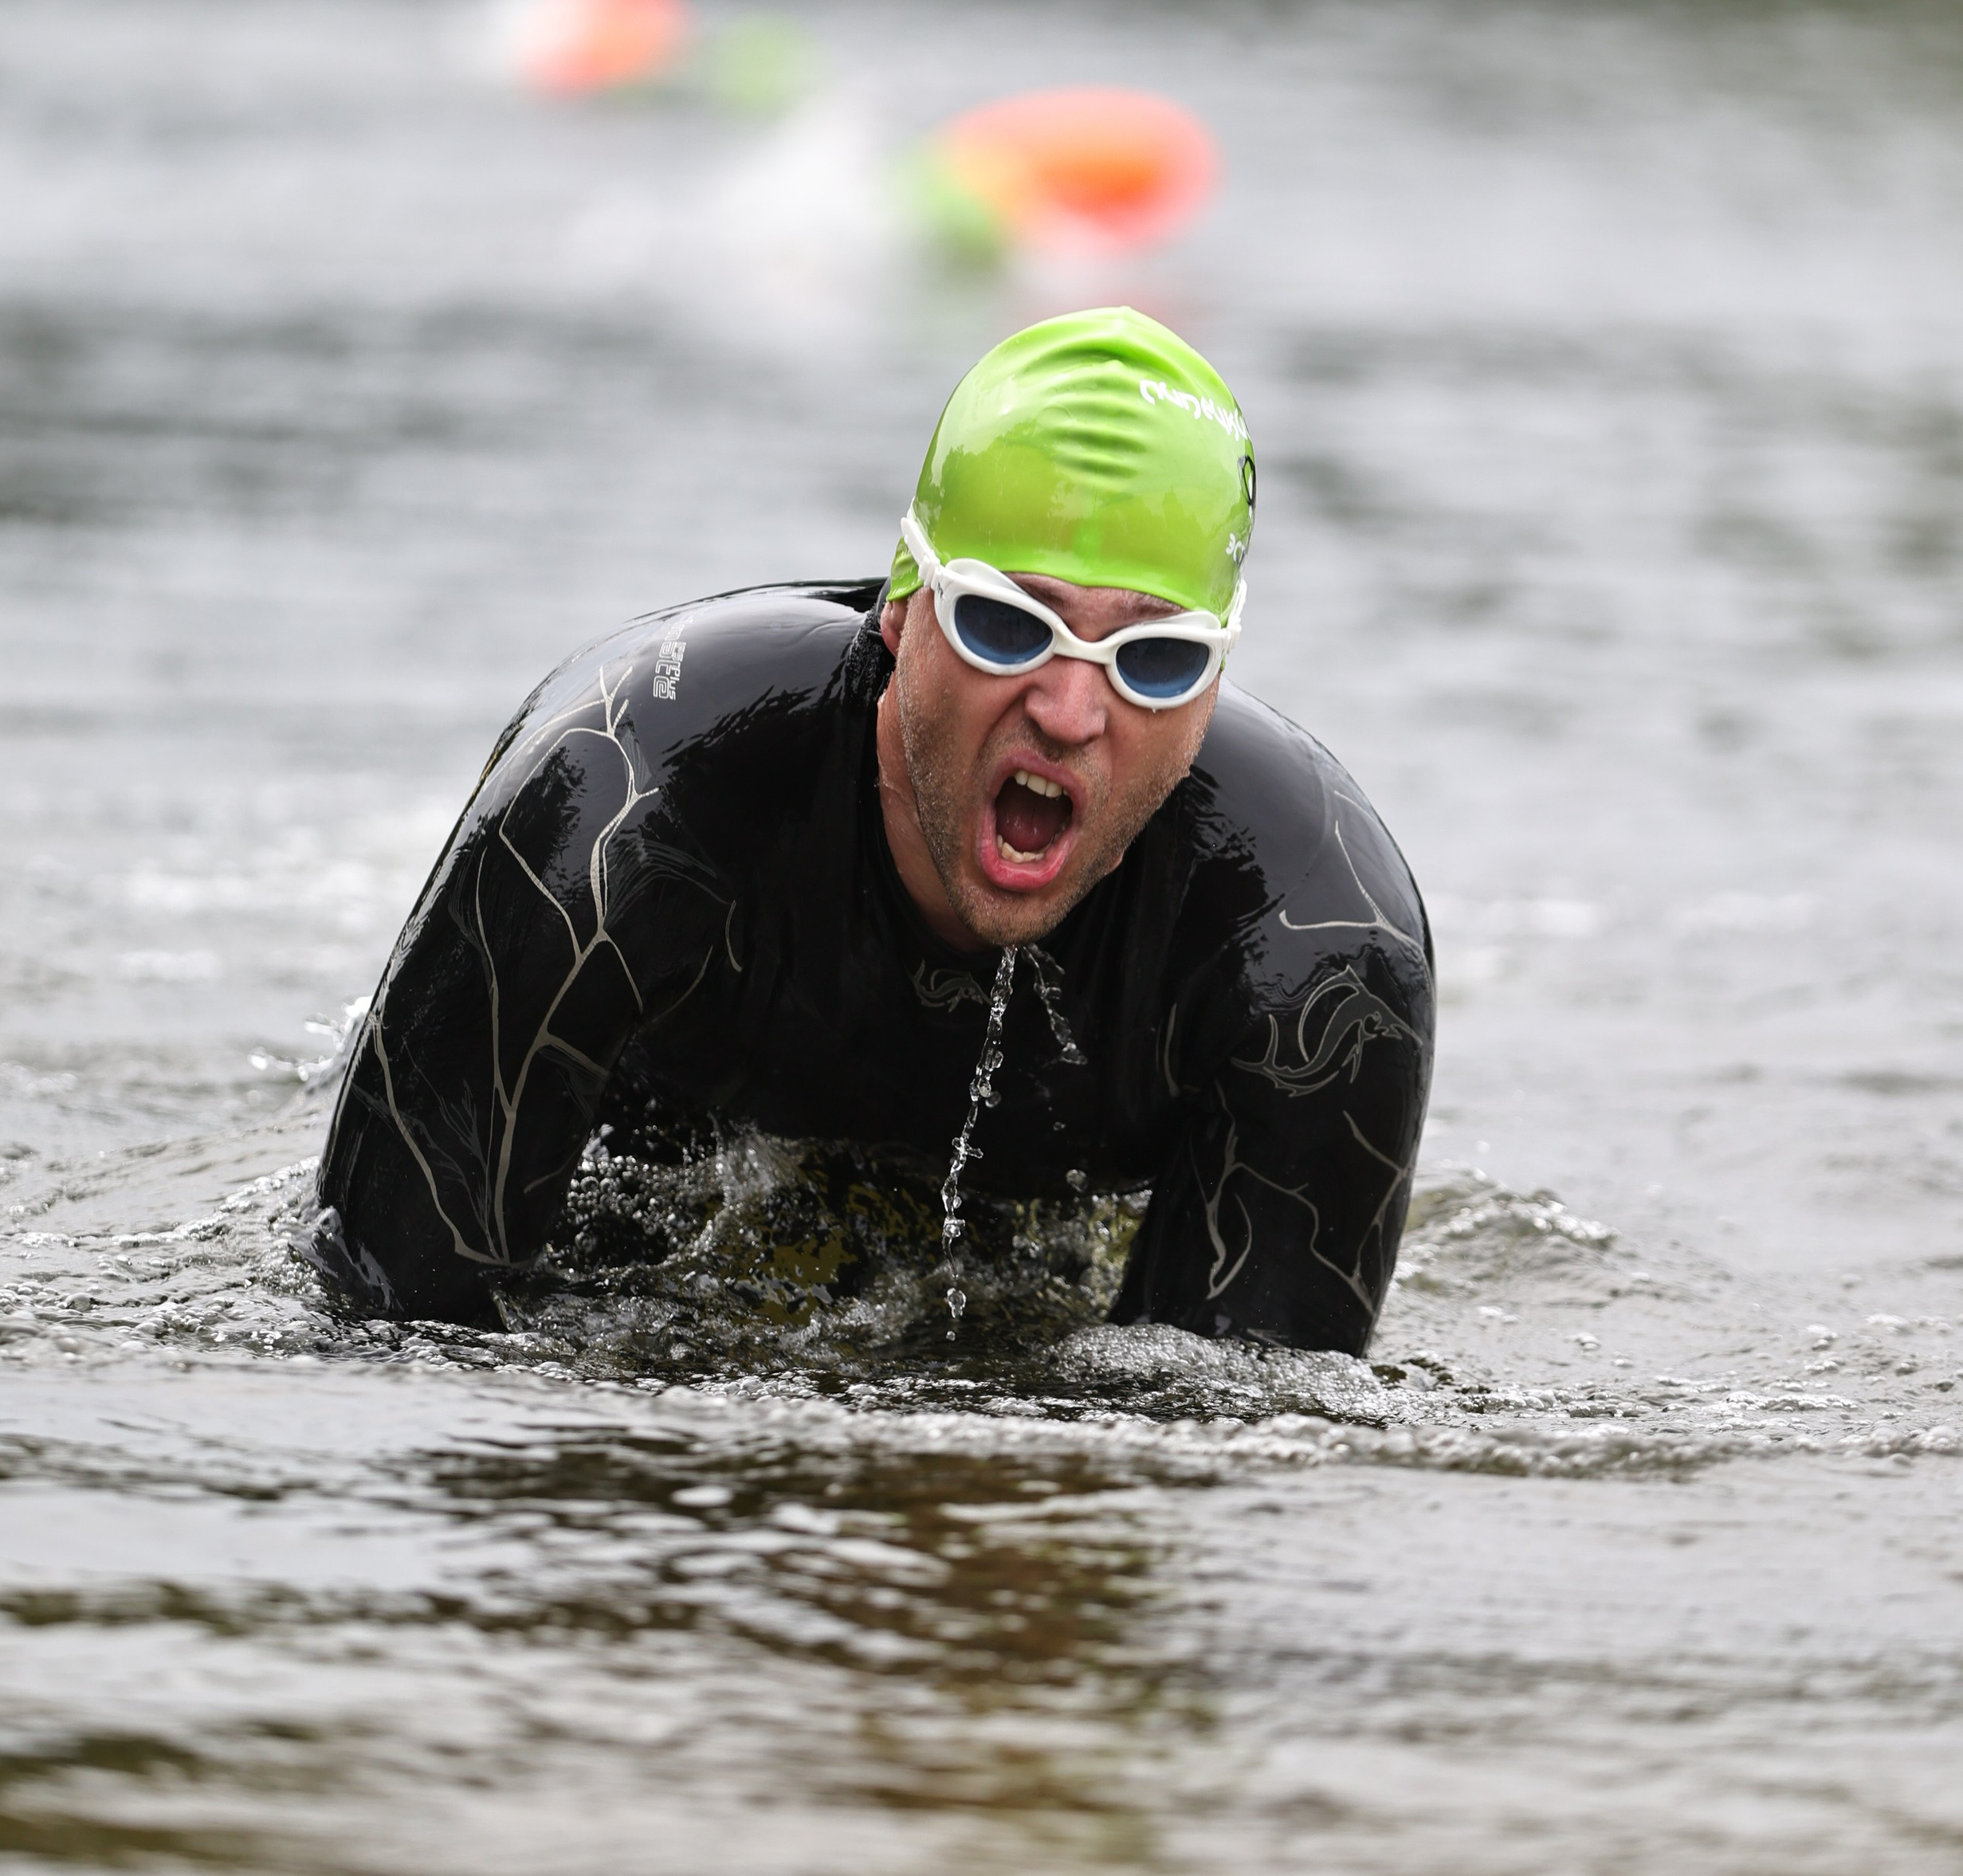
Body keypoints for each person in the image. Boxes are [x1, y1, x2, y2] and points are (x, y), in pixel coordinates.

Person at [308, 309, 1435, 1347]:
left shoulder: (1315, 942)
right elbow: (386, 1332)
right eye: (1007, 625)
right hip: (646, 1160)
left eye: (1157, 661)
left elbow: (1234, 1442)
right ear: (905, 607)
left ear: (1217, 676)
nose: (1071, 710)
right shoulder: (629, 797)